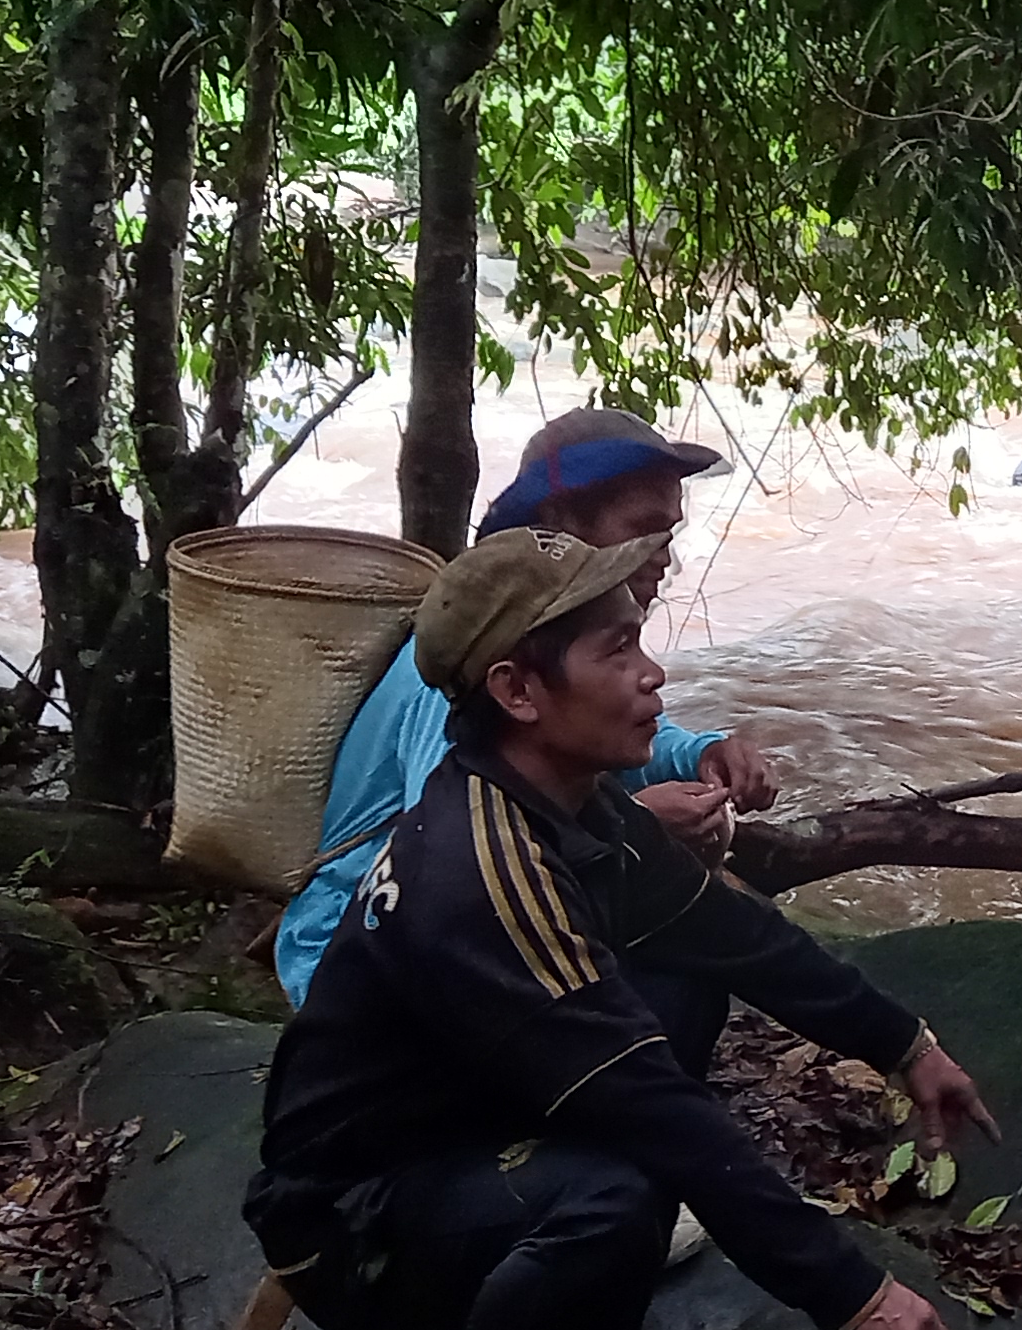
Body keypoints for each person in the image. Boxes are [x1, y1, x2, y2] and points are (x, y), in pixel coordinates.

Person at [244, 525, 992, 1330]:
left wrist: (902, 1043)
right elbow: (654, 1109)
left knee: (687, 978)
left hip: (457, 1132)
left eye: (640, 641)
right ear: (517, 689)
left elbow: (731, 937)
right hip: (353, 1227)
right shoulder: (482, 867)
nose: (653, 676)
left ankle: (558, 1246)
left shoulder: (566, 808)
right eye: (614, 650)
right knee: (619, 1190)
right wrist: (849, 1294)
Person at [273, 406, 776, 1007]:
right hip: (363, 947)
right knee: (664, 994)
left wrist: (702, 753)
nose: (663, 555)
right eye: (644, 529)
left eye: (669, 533)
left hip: (462, 927)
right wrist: (634, 829)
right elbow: (447, 857)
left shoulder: (556, 629)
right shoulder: (474, 656)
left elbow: (613, 739)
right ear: (561, 521)